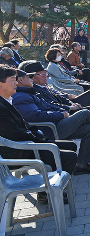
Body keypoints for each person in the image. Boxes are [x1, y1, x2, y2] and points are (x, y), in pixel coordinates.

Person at [11, 68, 90, 175]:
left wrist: (64, 110)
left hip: (55, 123)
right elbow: (35, 116)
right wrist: (60, 114)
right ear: (20, 80)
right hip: (49, 129)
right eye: (28, 77)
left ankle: (80, 164)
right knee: (85, 113)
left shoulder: (29, 93)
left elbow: (50, 105)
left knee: (89, 129)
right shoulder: (21, 97)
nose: (31, 79)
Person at [0, 65, 79, 202]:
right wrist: (40, 140)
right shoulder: (1, 107)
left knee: (71, 145)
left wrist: (39, 136)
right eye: (12, 80)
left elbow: (23, 125)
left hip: (26, 143)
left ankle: (50, 188)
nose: (16, 83)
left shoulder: (7, 100)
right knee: (69, 156)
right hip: (18, 151)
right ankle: (49, 193)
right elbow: (16, 135)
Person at [21, 60, 90, 130]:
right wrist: (67, 108)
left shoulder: (43, 85)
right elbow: (48, 106)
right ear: (31, 77)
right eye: (41, 74)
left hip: (62, 108)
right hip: (58, 117)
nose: (45, 76)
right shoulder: (33, 91)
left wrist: (70, 103)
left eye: (45, 73)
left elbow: (57, 95)